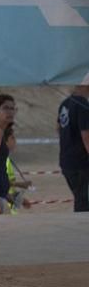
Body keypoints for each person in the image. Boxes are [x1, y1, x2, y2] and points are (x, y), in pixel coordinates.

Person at [58, 84, 89, 212]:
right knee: (83, 201)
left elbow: (58, 128)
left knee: (80, 198)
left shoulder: (64, 103)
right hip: (81, 162)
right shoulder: (83, 104)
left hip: (66, 161)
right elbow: (86, 136)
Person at [4, 126, 33, 213]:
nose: (15, 141)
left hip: (9, 208)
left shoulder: (7, 160)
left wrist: (21, 200)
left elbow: (6, 189)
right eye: (12, 138)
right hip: (3, 211)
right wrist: (20, 184)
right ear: (4, 141)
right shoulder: (2, 161)